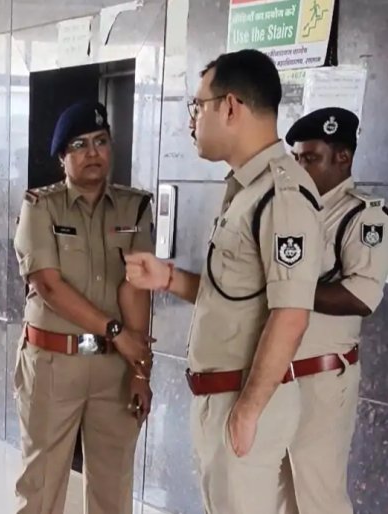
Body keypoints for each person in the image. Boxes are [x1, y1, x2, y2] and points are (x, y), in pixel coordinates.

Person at [124, 49, 325, 514]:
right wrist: (168, 278)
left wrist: (249, 410)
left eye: (198, 106)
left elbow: (291, 314)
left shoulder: (283, 195)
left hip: (245, 398)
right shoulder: (246, 189)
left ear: (230, 106)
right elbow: (233, 294)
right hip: (222, 397)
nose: (191, 120)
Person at [13, 100, 155, 514]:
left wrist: (140, 371)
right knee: (40, 488)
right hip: (54, 363)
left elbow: (137, 288)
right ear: (62, 156)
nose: (93, 152)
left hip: (115, 367)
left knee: (113, 490)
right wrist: (115, 332)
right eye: (79, 145)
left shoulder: (134, 207)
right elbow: (49, 285)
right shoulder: (41, 206)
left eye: (100, 141)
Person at [277, 108, 388, 514]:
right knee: (279, 496)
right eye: (297, 158)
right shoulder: (294, 209)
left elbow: (361, 297)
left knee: (318, 495)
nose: (300, 168)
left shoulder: (364, 216)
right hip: (279, 374)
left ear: (343, 157)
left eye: (310, 158)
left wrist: (287, 291)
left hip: (323, 379)